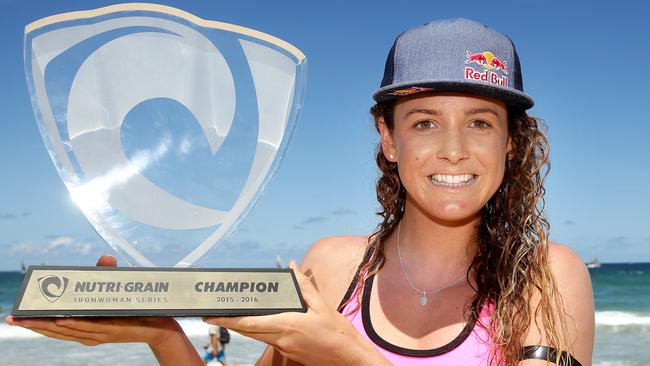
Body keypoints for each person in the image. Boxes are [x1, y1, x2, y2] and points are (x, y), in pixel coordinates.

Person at [6, 18, 594, 366]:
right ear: (387, 138)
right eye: (423, 121)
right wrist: (161, 332)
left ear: (512, 144)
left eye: (481, 122)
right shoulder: (335, 266)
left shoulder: (548, 278)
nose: (454, 148)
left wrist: (346, 355)